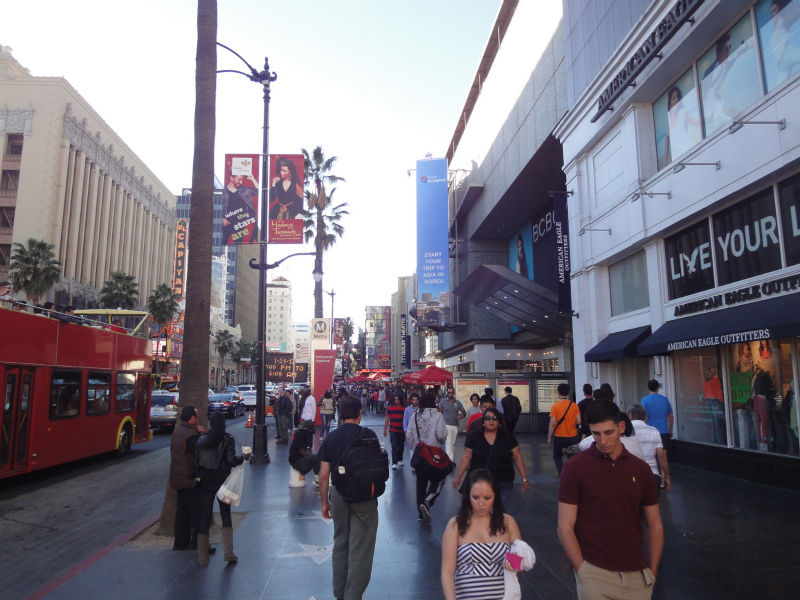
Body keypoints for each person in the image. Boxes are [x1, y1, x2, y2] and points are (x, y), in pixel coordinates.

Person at [558, 400, 663, 600]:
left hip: (637, 573)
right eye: (596, 434)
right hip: (594, 572)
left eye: (609, 432)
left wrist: (653, 571)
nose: (603, 440)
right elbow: (564, 525)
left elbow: (655, 523)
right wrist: (582, 571)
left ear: (621, 427)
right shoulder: (575, 467)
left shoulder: (641, 469)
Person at [319, 396, 379, 600]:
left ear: (340, 415)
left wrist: (324, 502)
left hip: (339, 495)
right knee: (361, 549)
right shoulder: (369, 435)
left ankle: (340, 593)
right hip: (364, 498)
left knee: (340, 543)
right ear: (359, 414)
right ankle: (353, 595)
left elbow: (324, 475)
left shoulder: (331, 437)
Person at [441, 469, 523, 600]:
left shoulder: (508, 523)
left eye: (487, 498)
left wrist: (514, 563)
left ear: (495, 496)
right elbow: (447, 572)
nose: (481, 504)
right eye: (475, 497)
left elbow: (520, 563)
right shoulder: (456, 525)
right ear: (468, 496)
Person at [195, 412, 247, 566]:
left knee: (205, 516)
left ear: (210, 424)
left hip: (205, 481)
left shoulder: (201, 440)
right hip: (224, 482)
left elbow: (196, 461)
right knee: (225, 514)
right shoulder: (228, 439)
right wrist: (243, 458)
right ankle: (228, 552)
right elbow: (231, 460)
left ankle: (202, 556)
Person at [453, 406, 530, 510]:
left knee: (500, 511)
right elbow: (466, 457)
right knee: (480, 510)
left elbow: (517, 457)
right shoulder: (474, 436)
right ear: (483, 421)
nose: (491, 421)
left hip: (503, 481)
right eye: (488, 418)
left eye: (495, 418)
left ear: (499, 422)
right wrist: (459, 476)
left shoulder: (508, 437)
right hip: (480, 481)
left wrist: (524, 478)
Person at [169, 406, 213, 553]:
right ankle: (199, 543)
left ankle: (180, 542)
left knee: (183, 512)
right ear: (193, 418)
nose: (198, 419)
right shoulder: (191, 436)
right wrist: (203, 435)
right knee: (198, 512)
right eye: (197, 416)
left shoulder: (178, 431)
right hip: (189, 479)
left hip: (177, 478)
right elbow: (202, 452)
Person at [407, 392, 448, 523]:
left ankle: (421, 514)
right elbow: (442, 436)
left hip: (419, 455)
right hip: (433, 455)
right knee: (438, 479)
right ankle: (427, 501)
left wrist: (414, 448)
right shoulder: (438, 415)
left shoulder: (414, 415)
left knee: (420, 483)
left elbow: (409, 435)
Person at [628, 404, 671, 496]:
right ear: (645, 416)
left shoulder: (625, 432)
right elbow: (661, 455)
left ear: (630, 415)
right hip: (652, 474)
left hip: (631, 475)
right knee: (652, 504)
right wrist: (667, 477)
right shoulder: (654, 431)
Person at [548, 383, 581, 476]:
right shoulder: (574, 405)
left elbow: (552, 424)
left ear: (558, 392)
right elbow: (579, 421)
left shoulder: (555, 406)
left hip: (559, 436)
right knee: (571, 457)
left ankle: (562, 474)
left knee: (557, 456)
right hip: (572, 436)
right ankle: (570, 474)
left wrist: (549, 437)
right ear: (568, 393)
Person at [221, 171, 258, 244]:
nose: (241, 182)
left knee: (238, 244)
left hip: (240, 224)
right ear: (231, 178)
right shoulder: (223, 191)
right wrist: (222, 218)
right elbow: (216, 206)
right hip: (226, 223)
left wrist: (253, 179)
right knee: (223, 242)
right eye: (239, 179)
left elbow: (259, 191)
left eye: (242, 180)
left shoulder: (244, 189)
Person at [641, 380, 674, 452]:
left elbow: (643, 416)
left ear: (648, 388)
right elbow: (670, 416)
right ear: (658, 387)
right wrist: (670, 429)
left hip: (651, 431)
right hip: (664, 431)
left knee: (651, 453)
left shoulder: (644, 400)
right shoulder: (665, 399)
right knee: (663, 453)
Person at [439, 386, 467, 461]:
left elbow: (464, 412)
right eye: (449, 393)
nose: (450, 394)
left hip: (455, 425)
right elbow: (440, 413)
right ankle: (449, 461)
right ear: (447, 393)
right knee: (448, 442)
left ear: (454, 393)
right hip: (446, 425)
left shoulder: (458, 403)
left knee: (452, 443)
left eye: (451, 393)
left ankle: (449, 459)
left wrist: (462, 416)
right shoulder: (443, 402)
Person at [289, 420, 320, 486]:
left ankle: (316, 477)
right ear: (308, 429)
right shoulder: (301, 437)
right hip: (296, 462)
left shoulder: (300, 435)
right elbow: (302, 451)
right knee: (316, 457)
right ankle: (316, 478)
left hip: (295, 459)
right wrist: (310, 457)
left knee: (314, 457)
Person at [383, 392, 406, 470]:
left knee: (401, 445)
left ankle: (400, 459)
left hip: (402, 430)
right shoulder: (390, 409)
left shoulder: (404, 409)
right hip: (393, 429)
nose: (396, 401)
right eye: (395, 400)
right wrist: (385, 429)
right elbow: (387, 419)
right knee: (394, 445)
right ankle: (394, 462)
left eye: (398, 400)